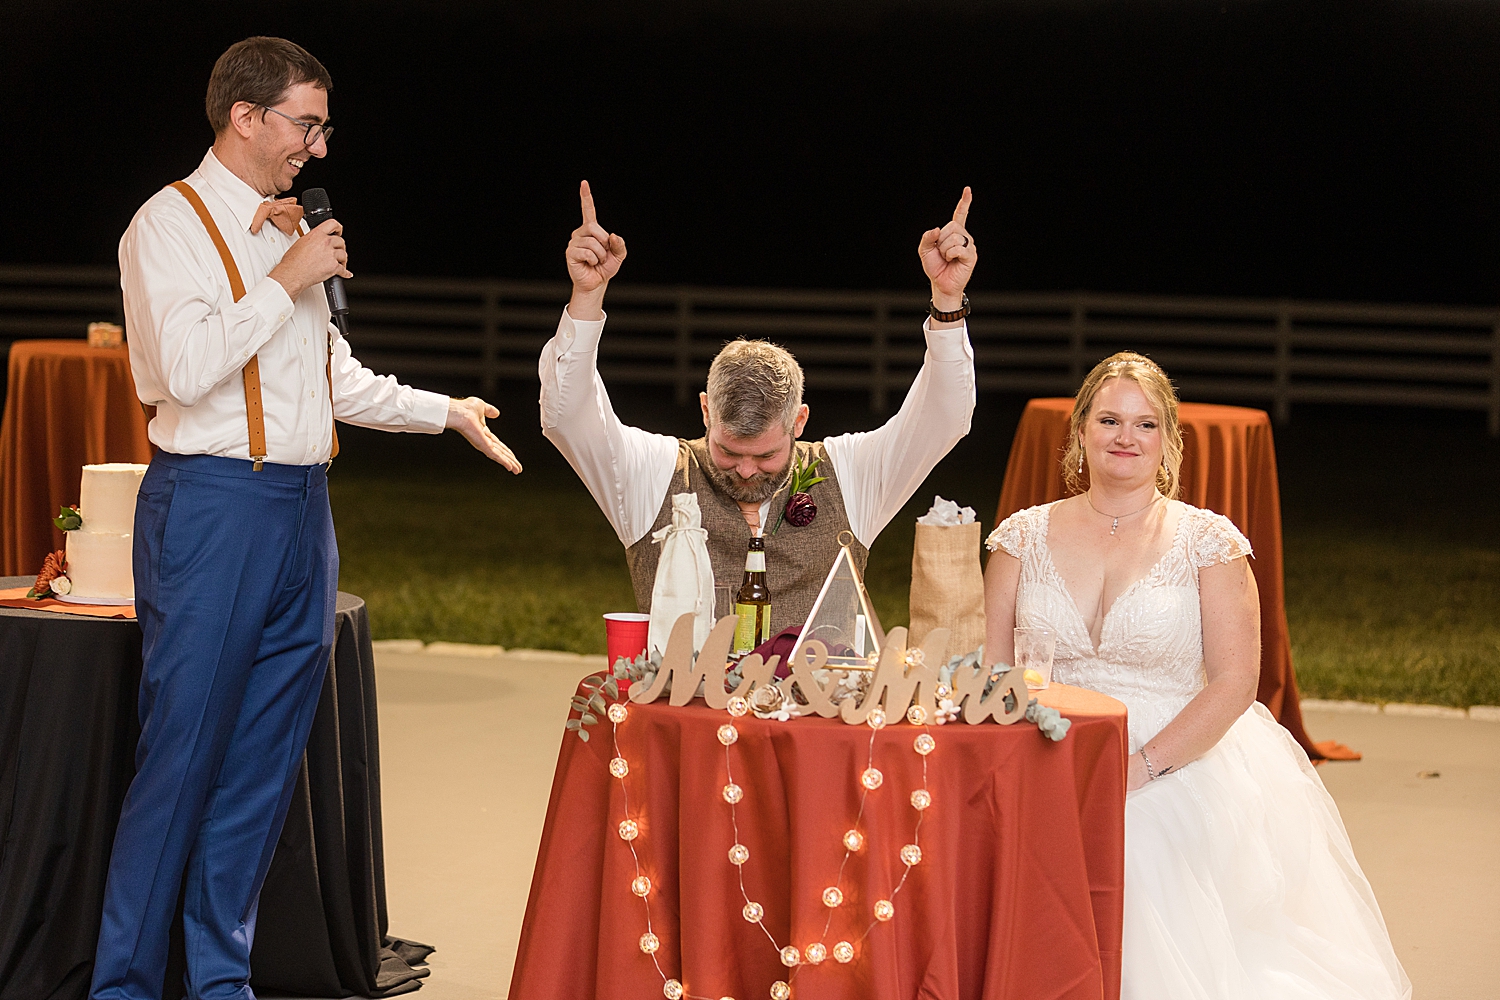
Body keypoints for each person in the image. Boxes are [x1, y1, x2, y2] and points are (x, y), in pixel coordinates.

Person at [93, 36, 521, 1000]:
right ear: (244, 117)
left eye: (323, 127)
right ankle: (121, 984)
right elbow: (187, 367)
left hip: (301, 514)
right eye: (305, 123)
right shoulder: (166, 225)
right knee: (181, 761)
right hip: (210, 509)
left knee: (259, 768)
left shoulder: (290, 234)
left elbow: (336, 379)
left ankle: (219, 980)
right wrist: (284, 277)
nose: (318, 148)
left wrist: (442, 412)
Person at [983, 352, 1409, 999]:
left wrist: (1136, 769)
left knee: (1140, 850)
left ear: (1169, 441)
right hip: (1046, 745)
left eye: (1145, 424)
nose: (1125, 437)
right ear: (1078, 433)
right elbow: (991, 672)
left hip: (1174, 755)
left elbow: (1237, 681)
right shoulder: (1019, 539)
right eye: (1109, 420)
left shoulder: (1208, 543)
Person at [540, 181, 977, 631]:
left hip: (821, 701)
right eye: (729, 451)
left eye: (766, 455)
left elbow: (942, 418)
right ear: (706, 412)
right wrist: (588, 295)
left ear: (799, 422)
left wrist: (947, 301)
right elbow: (568, 416)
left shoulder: (851, 473)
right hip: (684, 701)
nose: (746, 470)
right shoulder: (652, 472)